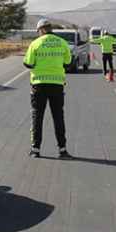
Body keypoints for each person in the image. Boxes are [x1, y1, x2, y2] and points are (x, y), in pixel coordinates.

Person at [23, 19, 74, 159]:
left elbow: (28, 63)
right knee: (58, 116)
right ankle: (62, 150)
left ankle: (36, 149)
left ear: (40, 30)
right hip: (57, 84)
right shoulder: (62, 42)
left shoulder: (36, 43)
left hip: (39, 84)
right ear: (50, 28)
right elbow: (68, 61)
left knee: (37, 116)